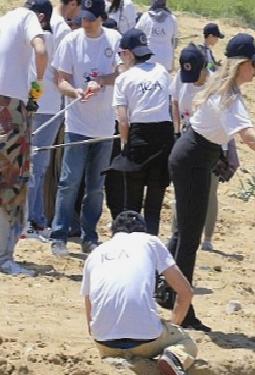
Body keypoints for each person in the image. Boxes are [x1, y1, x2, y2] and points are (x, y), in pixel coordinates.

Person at [166, 33, 255, 332]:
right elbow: (250, 138)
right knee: (189, 239)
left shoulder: (222, 86)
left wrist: (217, 154)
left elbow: (209, 126)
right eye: (254, 64)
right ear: (242, 64)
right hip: (192, 160)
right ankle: (183, 310)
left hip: (195, 156)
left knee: (184, 235)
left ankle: (170, 294)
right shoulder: (229, 96)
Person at [81, 210, 197, 375]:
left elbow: (89, 308)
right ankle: (171, 357)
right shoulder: (150, 241)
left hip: (105, 343)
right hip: (146, 340)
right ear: (143, 230)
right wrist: (173, 326)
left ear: (113, 232)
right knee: (186, 342)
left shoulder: (95, 254)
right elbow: (185, 292)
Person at [49, 0, 122, 256]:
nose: (86, 22)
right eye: (83, 17)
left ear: (101, 18)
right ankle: (59, 234)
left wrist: (101, 81)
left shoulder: (114, 39)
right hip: (77, 124)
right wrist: (75, 92)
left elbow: (123, 72)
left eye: (91, 18)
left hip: (104, 125)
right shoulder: (71, 41)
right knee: (69, 181)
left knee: (95, 187)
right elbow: (61, 80)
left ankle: (89, 236)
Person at [169, 43, 239, 251]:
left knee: (209, 190)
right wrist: (176, 130)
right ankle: (177, 233)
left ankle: (207, 237)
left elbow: (227, 121)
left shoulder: (216, 84)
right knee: (181, 191)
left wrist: (229, 151)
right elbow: (174, 103)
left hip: (212, 142)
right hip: (187, 139)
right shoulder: (181, 79)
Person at [0, 0, 50, 276]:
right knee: (13, 184)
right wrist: (37, 87)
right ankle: (4, 258)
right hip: (12, 107)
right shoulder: (28, 18)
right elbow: (41, 51)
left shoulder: (3, 19)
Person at [110, 28, 173, 235]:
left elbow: (123, 119)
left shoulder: (124, 79)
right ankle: (151, 251)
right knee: (153, 208)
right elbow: (170, 105)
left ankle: (130, 249)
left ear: (128, 54)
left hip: (139, 136)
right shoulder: (162, 71)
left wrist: (124, 145)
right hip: (164, 135)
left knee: (132, 206)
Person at [25, 0, 72, 239]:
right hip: (45, 107)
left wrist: (33, 97)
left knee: (36, 166)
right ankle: (33, 220)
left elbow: (39, 77)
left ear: (40, 17)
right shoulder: (43, 39)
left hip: (44, 106)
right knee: (37, 166)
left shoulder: (46, 40)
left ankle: (33, 220)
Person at [135, 0, 177, 72]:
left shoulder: (145, 17)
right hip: (165, 60)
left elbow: (136, 35)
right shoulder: (172, 19)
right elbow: (174, 43)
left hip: (148, 59)